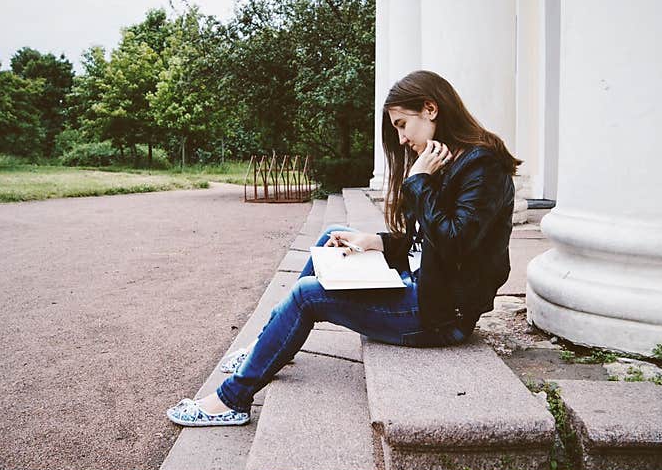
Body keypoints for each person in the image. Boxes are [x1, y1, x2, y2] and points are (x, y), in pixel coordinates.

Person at [167, 70, 521, 427]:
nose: (400, 139)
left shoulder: (481, 167)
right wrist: (377, 242)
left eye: (402, 124)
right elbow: (427, 240)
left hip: (441, 317)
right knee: (334, 234)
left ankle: (232, 400)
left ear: (430, 108)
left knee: (308, 295)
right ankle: (267, 344)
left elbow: (454, 242)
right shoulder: (448, 159)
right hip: (425, 286)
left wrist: (419, 181)